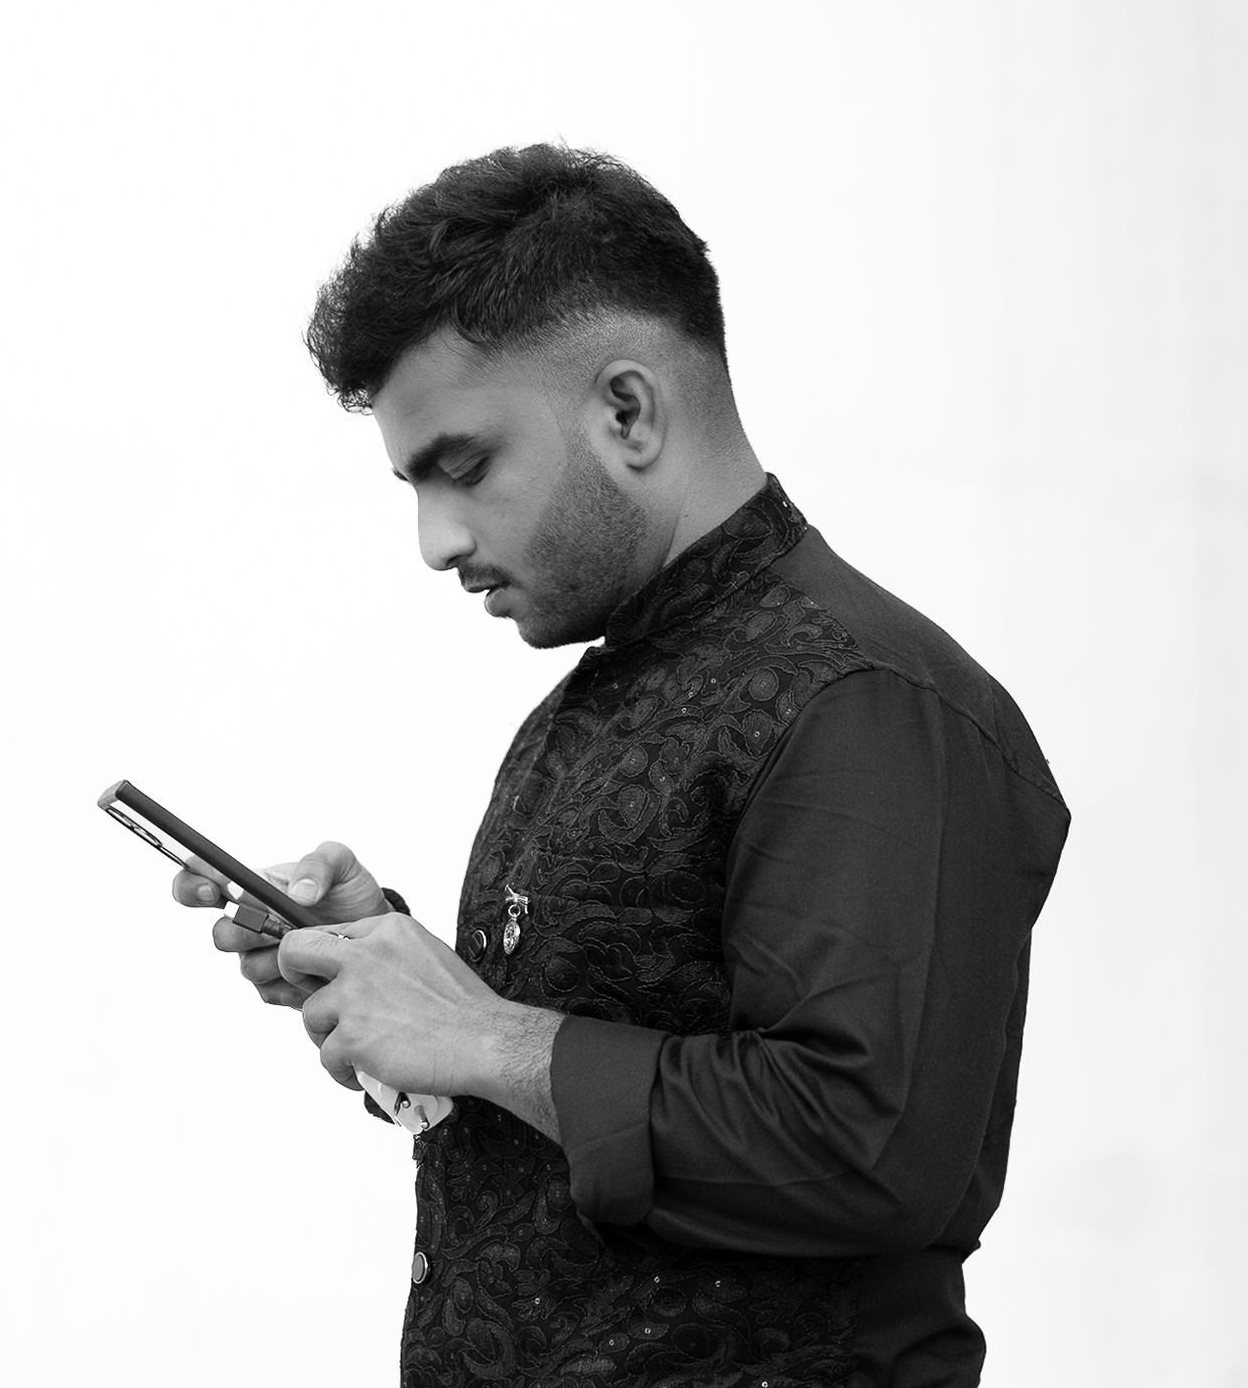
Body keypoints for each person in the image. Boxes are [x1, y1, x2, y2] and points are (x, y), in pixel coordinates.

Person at [173, 145, 1070, 1387]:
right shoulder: (584, 707)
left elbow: (870, 1148)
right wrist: (397, 984)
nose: (435, 539)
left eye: (463, 466)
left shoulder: (866, 701)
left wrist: (484, 1035)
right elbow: (574, 1115)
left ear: (628, 412)